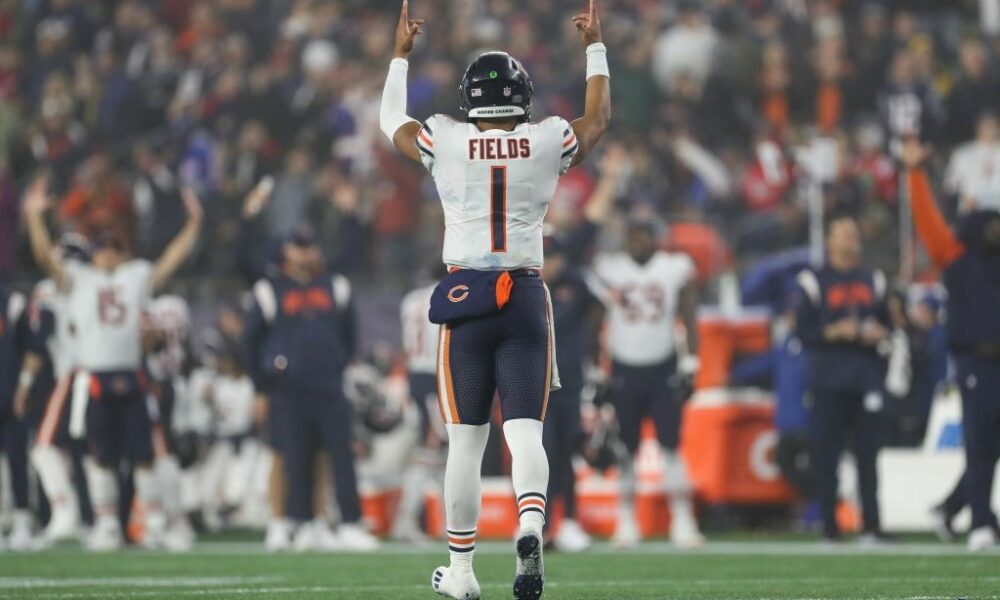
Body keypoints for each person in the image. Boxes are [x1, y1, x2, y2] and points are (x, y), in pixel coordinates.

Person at [378, 0, 609, 597]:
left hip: (468, 294)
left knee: (465, 439)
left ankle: (460, 571)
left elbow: (388, 123)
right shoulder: (545, 139)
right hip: (527, 294)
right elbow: (597, 121)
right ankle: (531, 523)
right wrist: (594, 48)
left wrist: (400, 57)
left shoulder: (447, 138)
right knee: (526, 432)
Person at [23, 177, 203, 551]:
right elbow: (44, 259)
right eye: (103, 249)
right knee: (100, 455)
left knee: (144, 455)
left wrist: (193, 225)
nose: (108, 254)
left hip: (131, 375)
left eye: (114, 249)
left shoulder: (134, 277)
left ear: (124, 254)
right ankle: (106, 524)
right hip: (94, 378)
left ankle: (152, 522)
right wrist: (34, 218)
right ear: (93, 255)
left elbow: (169, 261)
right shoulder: (79, 279)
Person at [243, 224, 378, 552]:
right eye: (298, 246)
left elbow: (349, 337)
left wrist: (336, 364)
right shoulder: (268, 289)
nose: (304, 252)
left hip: (329, 384)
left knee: (339, 454)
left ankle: (347, 523)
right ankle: (297, 522)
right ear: (286, 251)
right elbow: (251, 343)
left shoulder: (335, 285)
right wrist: (260, 386)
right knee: (293, 454)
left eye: (309, 246)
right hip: (287, 387)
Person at [903, 138, 1000, 551]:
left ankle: (952, 508)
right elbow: (927, 220)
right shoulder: (956, 251)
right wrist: (914, 174)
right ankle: (980, 521)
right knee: (980, 442)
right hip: (976, 359)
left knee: (990, 445)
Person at [593, 219, 704, 549]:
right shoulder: (611, 269)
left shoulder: (673, 268)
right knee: (626, 449)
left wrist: (691, 363)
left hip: (663, 367)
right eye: (632, 235)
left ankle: (683, 520)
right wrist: (596, 371)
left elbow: (689, 314)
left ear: (656, 238)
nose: (636, 242)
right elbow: (595, 321)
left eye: (642, 235)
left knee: (671, 445)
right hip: (624, 368)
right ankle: (626, 520)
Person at [795, 214, 891, 544]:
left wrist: (880, 333)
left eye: (853, 233)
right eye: (843, 234)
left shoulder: (873, 278)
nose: (850, 240)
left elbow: (889, 323)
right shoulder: (812, 280)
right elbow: (801, 332)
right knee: (828, 457)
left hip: (865, 377)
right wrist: (834, 331)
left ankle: (872, 527)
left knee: (869, 456)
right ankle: (830, 528)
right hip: (828, 379)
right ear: (830, 241)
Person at [13, 233, 92, 544]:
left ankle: (65, 513)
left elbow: (38, 340)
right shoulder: (96, 285)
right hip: (95, 373)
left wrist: (25, 383)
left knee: (44, 449)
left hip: (69, 374)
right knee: (84, 453)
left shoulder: (50, 289)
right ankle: (94, 518)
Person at [540, 233, 604, 552]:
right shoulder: (524, 284)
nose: (548, 265)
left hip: (569, 381)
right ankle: (538, 524)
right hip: (534, 382)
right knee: (540, 453)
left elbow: (600, 306)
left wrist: (590, 353)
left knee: (567, 451)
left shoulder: (575, 284)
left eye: (553, 258)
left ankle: (569, 522)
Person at [393, 270, 447, 544]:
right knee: (429, 452)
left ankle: (445, 519)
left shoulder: (409, 299)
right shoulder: (445, 294)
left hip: (416, 375)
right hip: (434, 374)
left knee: (435, 454)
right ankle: (406, 520)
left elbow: (406, 346)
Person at [0, 281, 31, 550]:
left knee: (17, 461)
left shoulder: (13, 302)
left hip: (9, 396)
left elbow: (32, 351)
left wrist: (23, 388)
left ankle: (22, 521)